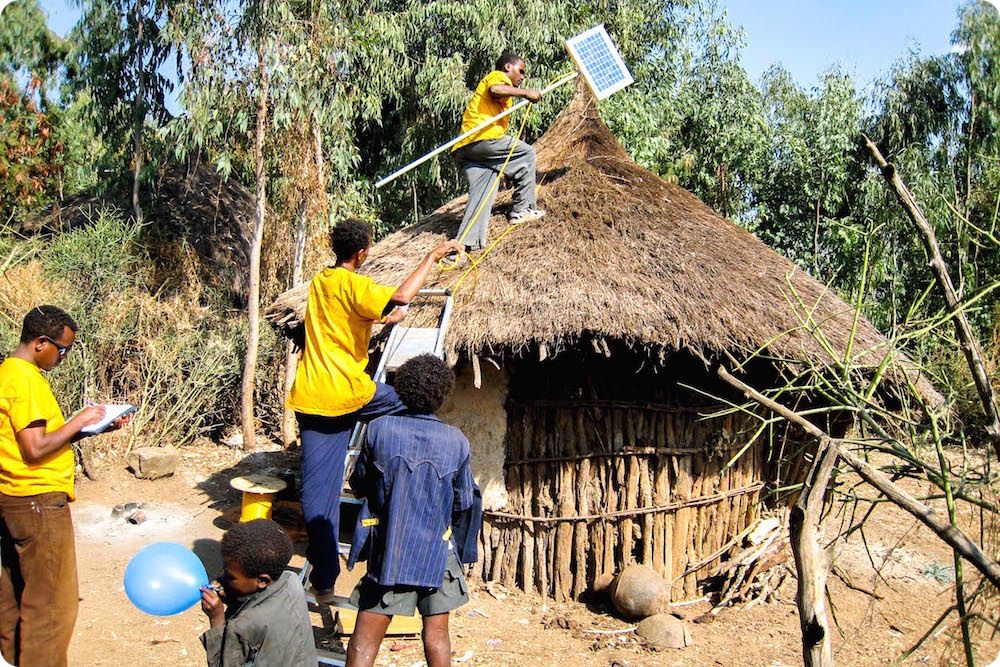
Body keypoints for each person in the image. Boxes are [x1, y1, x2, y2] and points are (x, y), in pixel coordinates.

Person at [286, 218, 461, 601]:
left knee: (319, 496)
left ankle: (324, 582)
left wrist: (382, 318)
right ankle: (399, 458)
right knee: (414, 397)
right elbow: (400, 297)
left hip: (313, 399)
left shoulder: (323, 282)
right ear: (363, 252)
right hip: (350, 393)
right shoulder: (358, 284)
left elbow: (345, 317)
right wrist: (431, 256)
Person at [0, 305, 128, 667]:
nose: (63, 357)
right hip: (38, 501)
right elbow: (35, 447)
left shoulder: (8, 372)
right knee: (52, 607)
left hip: (14, 497)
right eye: (62, 349)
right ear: (41, 342)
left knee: (16, 593)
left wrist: (91, 428)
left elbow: (34, 442)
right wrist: (81, 419)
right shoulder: (25, 380)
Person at [344, 354, 482, 667]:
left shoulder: (379, 430)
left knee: (364, 643)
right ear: (443, 395)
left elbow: (360, 482)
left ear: (402, 388)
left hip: (390, 550)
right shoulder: (456, 441)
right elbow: (462, 502)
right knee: (437, 638)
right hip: (436, 553)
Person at [450, 52, 546, 255]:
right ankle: (523, 210)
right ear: (507, 67)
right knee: (526, 154)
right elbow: (495, 90)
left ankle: (467, 242)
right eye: (521, 71)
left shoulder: (505, 86)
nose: (522, 77)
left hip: (465, 149)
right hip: (482, 138)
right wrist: (526, 93)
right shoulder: (498, 77)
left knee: (484, 191)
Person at [200, 519, 314, 667]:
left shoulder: (244, 626)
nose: (224, 578)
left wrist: (217, 618)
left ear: (262, 580)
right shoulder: (290, 579)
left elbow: (222, 664)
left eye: (230, 576)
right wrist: (232, 592)